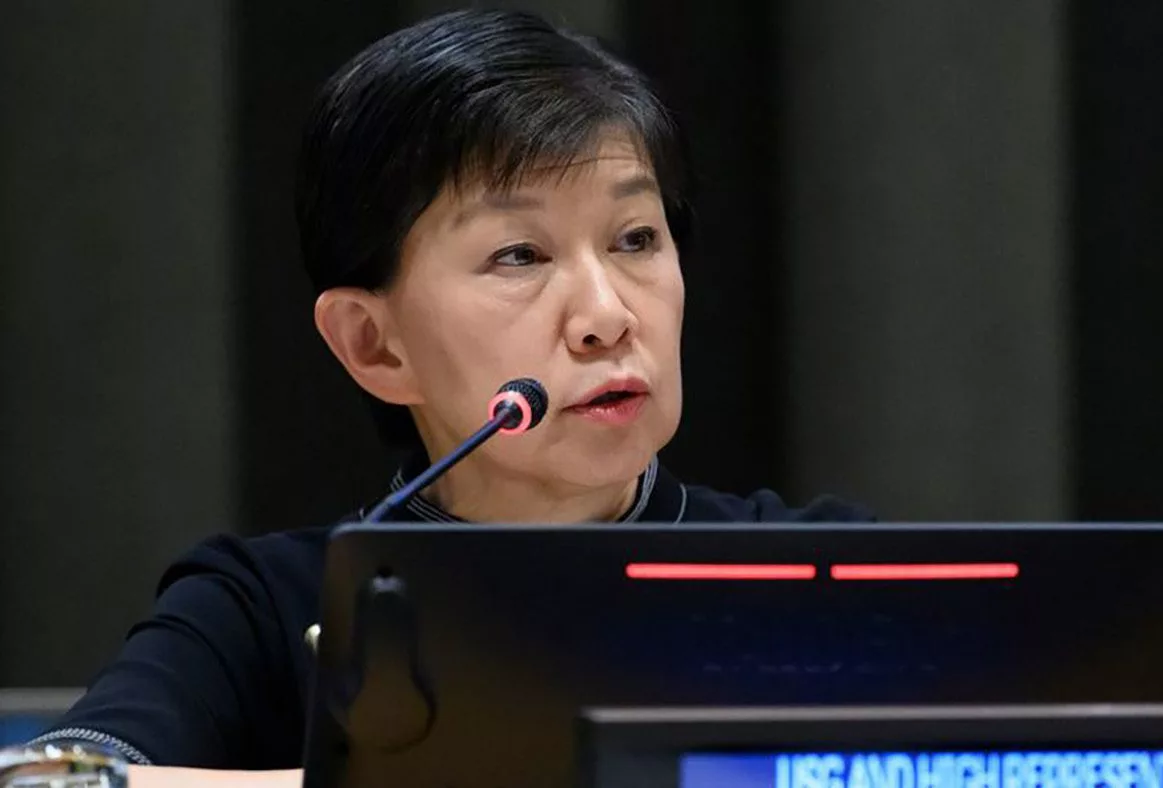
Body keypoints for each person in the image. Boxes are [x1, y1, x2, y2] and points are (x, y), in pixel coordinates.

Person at [22, 7, 873, 786]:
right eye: (519, 255)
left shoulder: (822, 573)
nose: (607, 316)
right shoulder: (264, 608)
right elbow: (48, 783)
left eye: (636, 238)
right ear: (374, 343)